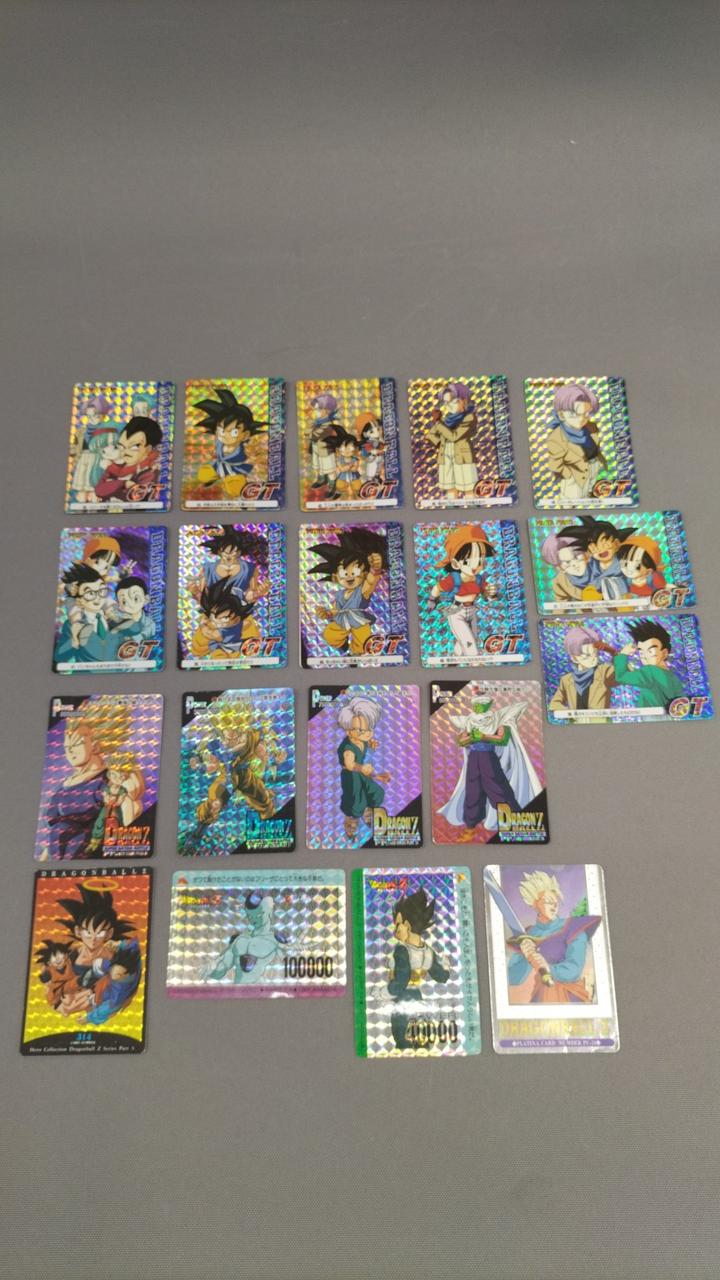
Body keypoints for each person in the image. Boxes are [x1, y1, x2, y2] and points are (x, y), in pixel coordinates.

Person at [439, 698, 542, 832]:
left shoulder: (497, 719)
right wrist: (472, 738)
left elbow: (503, 739)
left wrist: (483, 737)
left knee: (497, 788)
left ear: (488, 705)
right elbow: (461, 741)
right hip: (474, 758)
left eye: (480, 705)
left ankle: (510, 820)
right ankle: (471, 823)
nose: (477, 707)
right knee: (473, 789)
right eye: (475, 705)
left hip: (488, 757)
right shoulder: (470, 720)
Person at [507, 870, 601, 1003]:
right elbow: (513, 978)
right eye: (548, 901)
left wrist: (548, 968)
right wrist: (527, 958)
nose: (554, 905)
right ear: (534, 904)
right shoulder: (527, 935)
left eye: (556, 902)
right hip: (540, 1000)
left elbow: (574, 970)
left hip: (570, 998)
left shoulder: (573, 927)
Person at [308, 527, 388, 655]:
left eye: (355, 572)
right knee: (329, 635)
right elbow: (336, 610)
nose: (349, 577)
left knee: (363, 641)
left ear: (364, 573)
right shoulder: (340, 595)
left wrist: (375, 568)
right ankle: (343, 645)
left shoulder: (362, 591)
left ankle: (355, 654)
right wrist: (327, 614)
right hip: (341, 620)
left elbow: (371, 582)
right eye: (344, 573)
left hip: (358, 621)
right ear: (336, 577)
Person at [388, 887, 450, 1050]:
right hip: (417, 997)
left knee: (402, 1039)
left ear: (407, 925)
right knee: (420, 1038)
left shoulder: (402, 950)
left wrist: (384, 992)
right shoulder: (428, 952)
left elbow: (402, 979)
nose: (395, 932)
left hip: (402, 999)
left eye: (398, 926)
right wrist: (445, 966)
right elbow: (441, 976)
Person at [428, 524, 497, 658]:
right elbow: (437, 588)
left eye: (480, 560)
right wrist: (432, 600)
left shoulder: (479, 579)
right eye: (467, 561)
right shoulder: (453, 579)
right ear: (455, 563)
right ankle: (475, 662)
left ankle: (455, 659)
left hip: (472, 611)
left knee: (468, 640)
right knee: (469, 644)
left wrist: (491, 592)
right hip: (456, 612)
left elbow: (487, 594)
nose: (475, 566)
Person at [193, 387, 269, 498]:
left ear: (245, 435)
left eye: (233, 432)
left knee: (235, 487)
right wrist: (211, 456)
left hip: (235, 470)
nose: (224, 434)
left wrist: (253, 458)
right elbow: (215, 454)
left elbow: (251, 457)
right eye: (221, 429)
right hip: (219, 466)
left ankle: (231, 481)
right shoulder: (219, 443)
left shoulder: (242, 449)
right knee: (204, 474)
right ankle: (216, 476)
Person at [336, 695, 390, 840]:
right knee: (355, 802)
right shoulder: (348, 748)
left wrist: (371, 743)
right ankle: (351, 825)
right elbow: (349, 764)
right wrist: (362, 769)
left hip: (361, 773)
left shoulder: (362, 739)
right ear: (348, 730)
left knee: (374, 792)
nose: (364, 733)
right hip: (351, 776)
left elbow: (366, 740)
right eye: (359, 730)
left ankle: (367, 812)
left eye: (366, 729)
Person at [545, 383, 605, 503]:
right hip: (574, 478)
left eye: (586, 414)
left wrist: (596, 464)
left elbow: (596, 446)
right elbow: (554, 465)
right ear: (561, 414)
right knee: (571, 502)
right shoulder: (556, 438)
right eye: (574, 414)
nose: (581, 419)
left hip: (593, 468)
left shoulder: (591, 427)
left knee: (589, 498)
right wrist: (569, 476)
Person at [558, 517, 637, 603]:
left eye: (605, 544)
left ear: (617, 544)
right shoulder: (591, 565)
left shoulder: (623, 564)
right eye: (594, 547)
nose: (601, 550)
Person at [612, 620, 684, 708]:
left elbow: (621, 677)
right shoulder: (673, 677)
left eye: (650, 651)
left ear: (664, 653)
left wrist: (623, 654)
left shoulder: (650, 671)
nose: (645, 656)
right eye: (641, 652)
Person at [426, 381, 478, 500]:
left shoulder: (469, 417)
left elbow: (454, 436)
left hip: (462, 457)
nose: (448, 406)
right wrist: (440, 443)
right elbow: (430, 435)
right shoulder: (446, 419)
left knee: (468, 489)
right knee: (450, 489)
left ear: (464, 400)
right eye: (446, 403)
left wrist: (438, 423)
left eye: (452, 402)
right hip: (445, 456)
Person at [94, 416, 163, 502]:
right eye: (121, 446)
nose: (125, 451)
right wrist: (124, 483)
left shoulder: (150, 471)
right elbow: (99, 490)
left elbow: (137, 497)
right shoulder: (114, 467)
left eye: (133, 447)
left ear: (148, 449)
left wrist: (112, 486)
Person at [549, 625, 615, 713]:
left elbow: (624, 673)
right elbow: (554, 703)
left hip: (600, 721)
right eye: (586, 656)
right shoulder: (566, 680)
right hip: (575, 721)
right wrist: (569, 713)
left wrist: (612, 651)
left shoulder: (604, 672)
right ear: (574, 658)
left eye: (595, 654)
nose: (593, 659)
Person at [71, 394, 121, 503]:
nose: (92, 419)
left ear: (102, 415)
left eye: (96, 415)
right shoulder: (82, 431)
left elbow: (114, 447)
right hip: (83, 460)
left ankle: (95, 501)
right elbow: (75, 448)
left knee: (95, 487)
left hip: (98, 460)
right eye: (89, 416)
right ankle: (81, 503)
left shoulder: (108, 430)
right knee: (82, 487)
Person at [540, 532, 593, 603]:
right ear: (559, 567)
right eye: (567, 562)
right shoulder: (560, 582)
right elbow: (560, 605)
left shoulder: (600, 568)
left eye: (576, 557)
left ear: (585, 554)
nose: (574, 564)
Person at [308, 392, 343, 497]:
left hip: (326, 451)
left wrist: (309, 432)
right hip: (316, 448)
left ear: (327, 411)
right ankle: (322, 480)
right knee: (319, 467)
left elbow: (313, 435)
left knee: (330, 470)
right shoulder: (318, 422)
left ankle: (332, 486)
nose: (316, 412)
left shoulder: (327, 425)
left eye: (318, 409)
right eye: (315, 409)